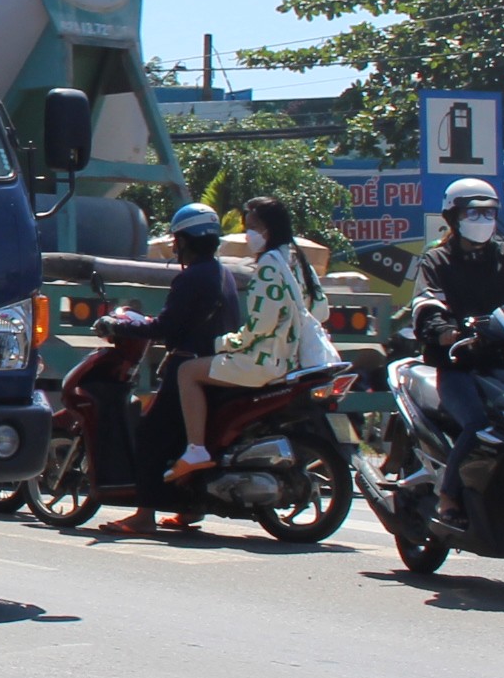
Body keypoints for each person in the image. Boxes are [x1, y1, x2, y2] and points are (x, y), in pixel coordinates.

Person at [407, 176, 504, 523]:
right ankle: (448, 497)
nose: (483, 220)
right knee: (477, 423)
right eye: (474, 213)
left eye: (489, 213)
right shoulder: (437, 260)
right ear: (454, 216)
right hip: (459, 364)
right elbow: (426, 305)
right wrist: (442, 330)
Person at [167, 193, 333, 478]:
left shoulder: (269, 265)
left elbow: (260, 326)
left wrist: (226, 343)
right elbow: (321, 309)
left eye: (252, 226)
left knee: (187, 372)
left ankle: (196, 449)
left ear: (267, 229)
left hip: (264, 361)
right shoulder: (297, 258)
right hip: (294, 362)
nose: (248, 233)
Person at [99, 204, 235, 538]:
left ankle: (143, 515)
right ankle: (187, 508)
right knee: (178, 436)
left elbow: (164, 328)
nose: (174, 247)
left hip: (189, 364)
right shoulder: (223, 273)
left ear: (186, 240)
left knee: (149, 435)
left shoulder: (190, 277)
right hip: (218, 364)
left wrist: (118, 327)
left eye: (177, 240)